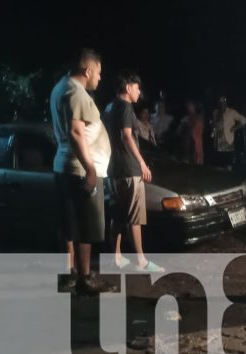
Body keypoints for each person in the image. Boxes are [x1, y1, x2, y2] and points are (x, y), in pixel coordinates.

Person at [50, 48, 116, 295]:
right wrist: (90, 168)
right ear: (88, 70)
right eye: (98, 72)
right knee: (85, 226)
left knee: (69, 224)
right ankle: (85, 278)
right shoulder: (75, 93)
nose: (100, 77)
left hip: (65, 166)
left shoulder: (60, 88)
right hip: (80, 168)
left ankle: (70, 275)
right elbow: (77, 132)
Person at [105, 72, 164, 273]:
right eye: (137, 88)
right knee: (134, 217)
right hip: (129, 168)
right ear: (128, 87)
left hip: (113, 168)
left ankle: (117, 257)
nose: (139, 92)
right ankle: (141, 261)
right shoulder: (125, 107)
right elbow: (126, 136)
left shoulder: (109, 107)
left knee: (118, 214)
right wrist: (142, 164)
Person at [211, 96, 246, 170]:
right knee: (218, 159)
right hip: (217, 139)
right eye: (220, 102)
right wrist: (213, 131)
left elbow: (243, 120)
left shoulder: (231, 112)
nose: (222, 103)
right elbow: (214, 124)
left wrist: (235, 128)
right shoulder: (216, 112)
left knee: (227, 159)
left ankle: (228, 173)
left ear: (226, 102)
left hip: (227, 139)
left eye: (224, 101)